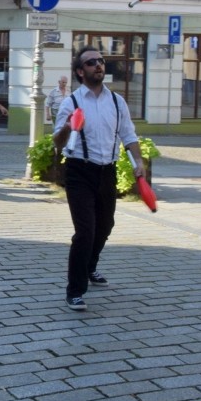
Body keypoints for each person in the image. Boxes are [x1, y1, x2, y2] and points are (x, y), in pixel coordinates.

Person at [53, 47, 144, 312]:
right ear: (81, 72)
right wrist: (69, 126)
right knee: (85, 231)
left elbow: (129, 135)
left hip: (107, 171)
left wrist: (138, 162)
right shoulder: (71, 102)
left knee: (105, 226)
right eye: (91, 62)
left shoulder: (117, 101)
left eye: (101, 61)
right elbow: (57, 143)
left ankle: (91, 266)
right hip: (79, 170)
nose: (99, 65)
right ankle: (75, 291)